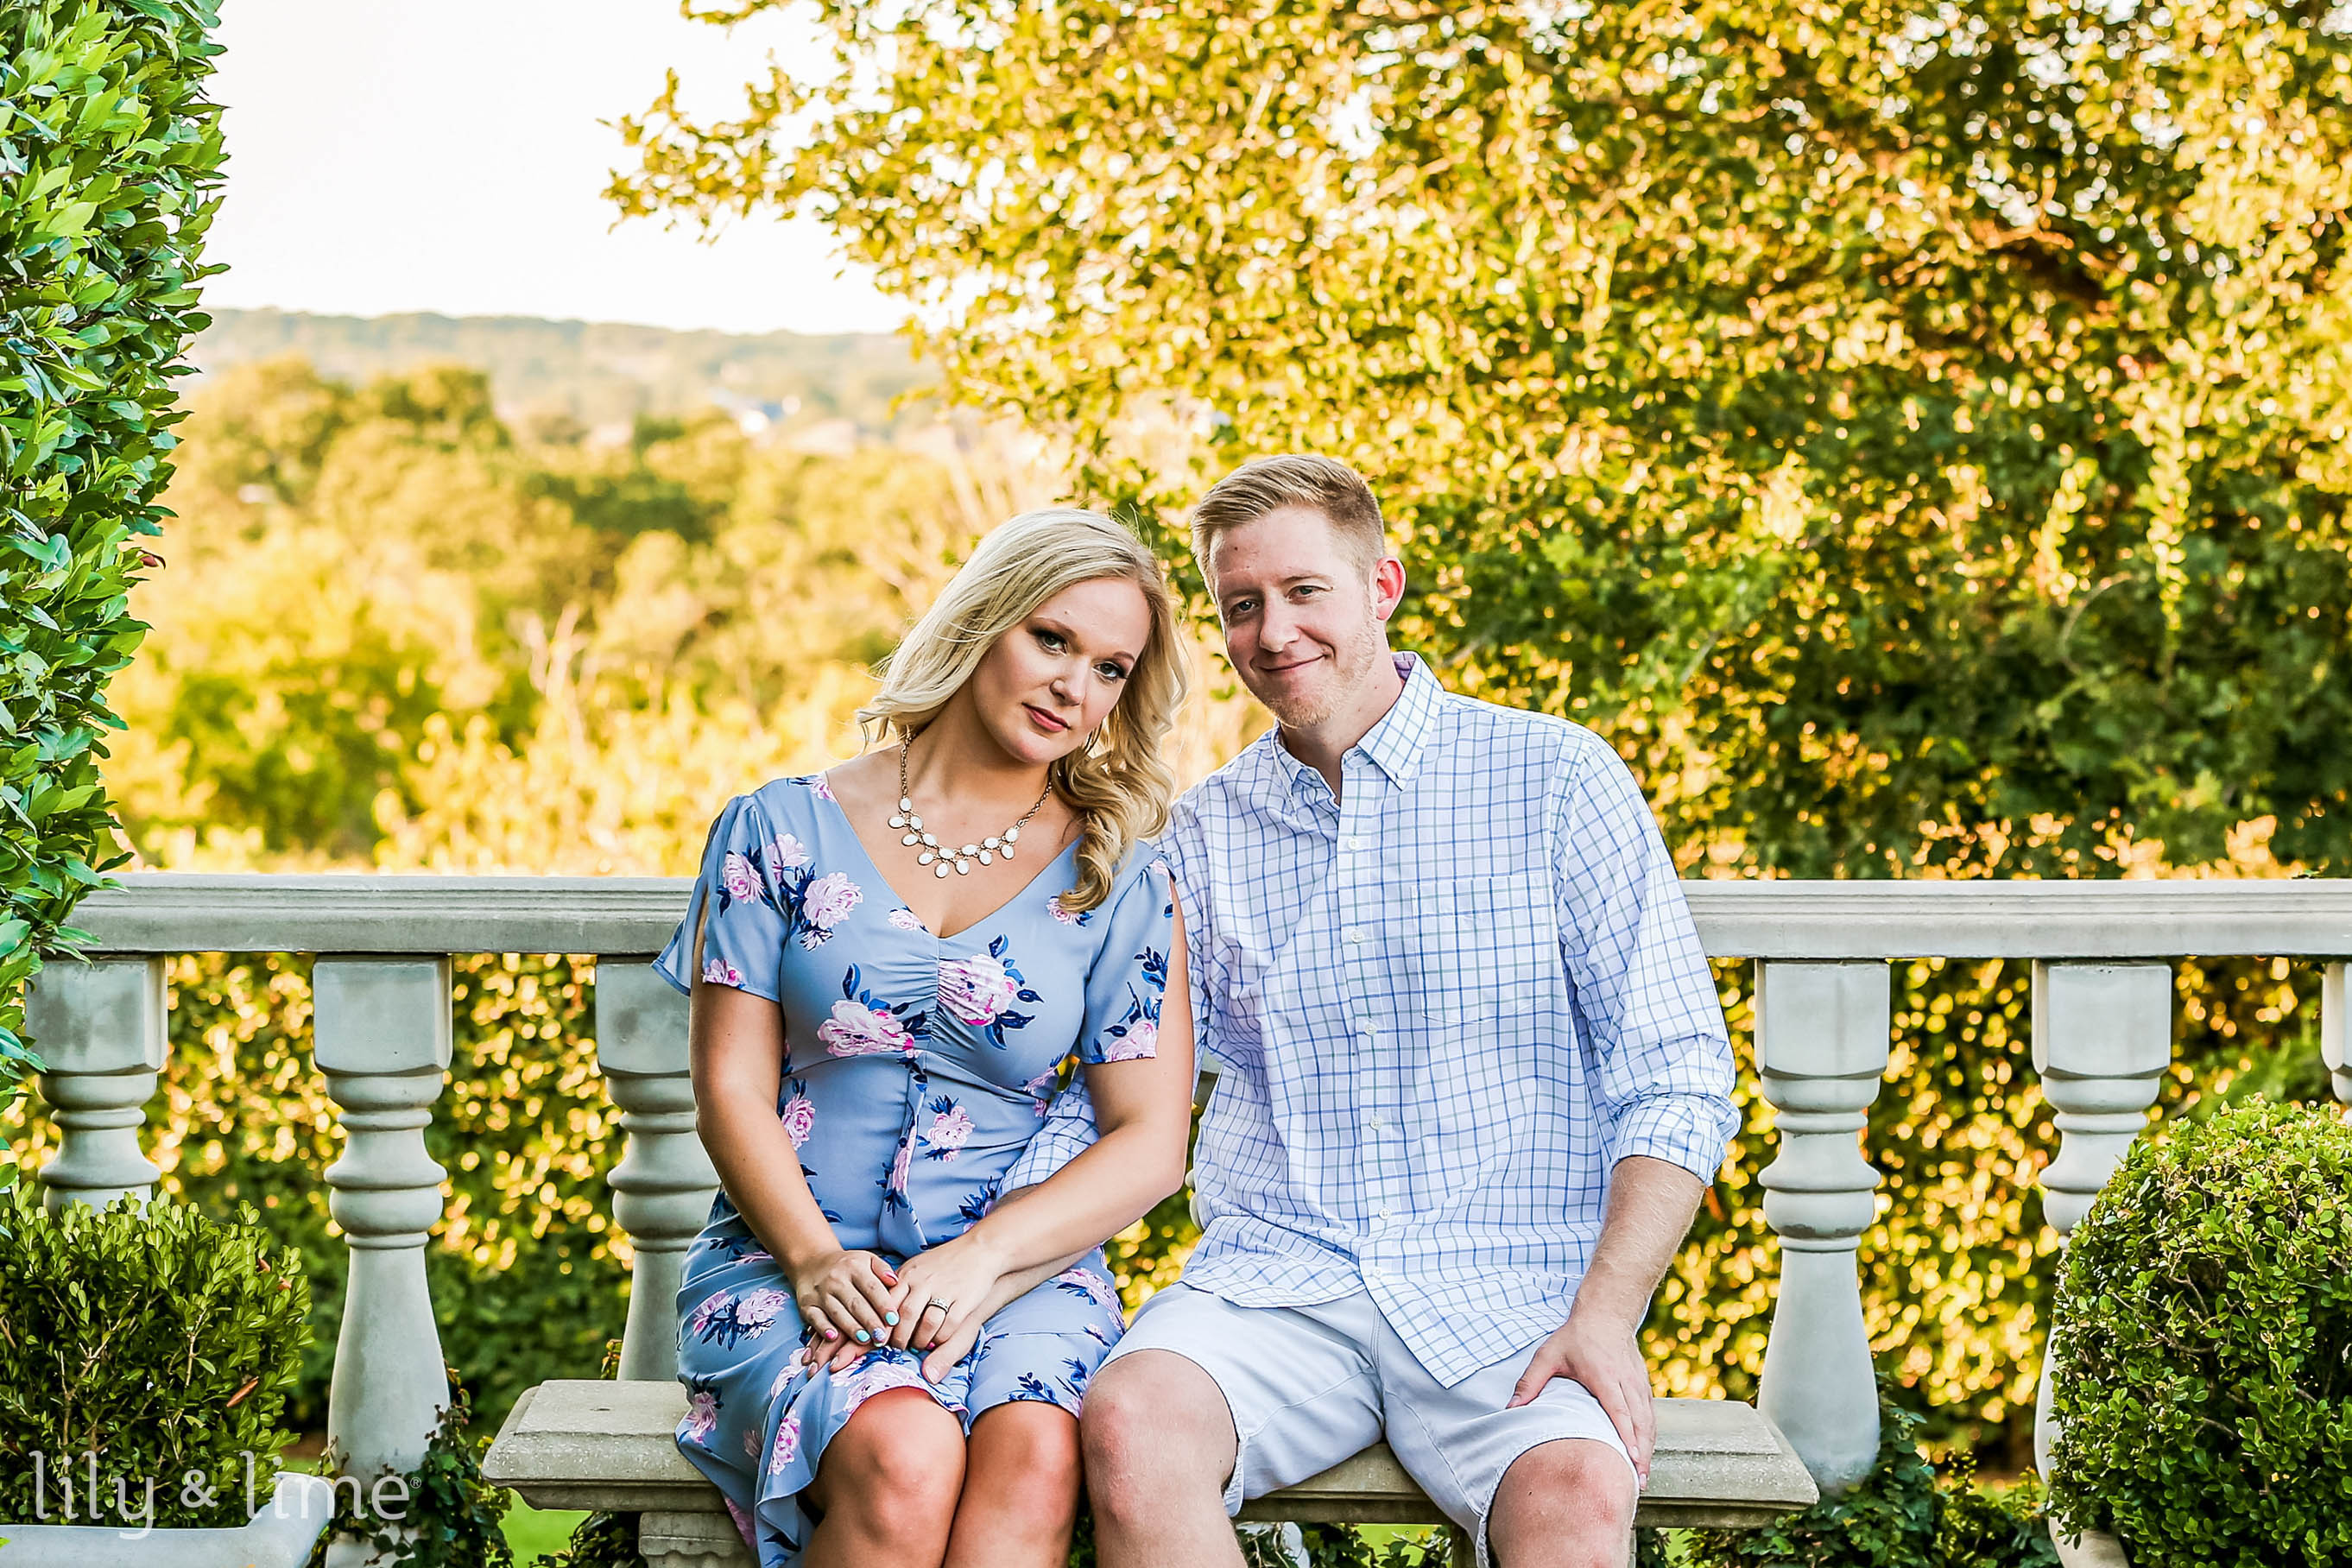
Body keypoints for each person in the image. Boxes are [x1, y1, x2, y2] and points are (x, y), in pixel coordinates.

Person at [1059, 456, 1739, 1568]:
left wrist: (1606, 1315)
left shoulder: (1556, 778)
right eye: (1242, 605)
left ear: (1383, 586)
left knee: (1577, 1490)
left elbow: (1675, 1075)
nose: (1274, 631)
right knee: (1133, 1424)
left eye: (1304, 591)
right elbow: (1122, 1092)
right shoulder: (1201, 837)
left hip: (1511, 1289)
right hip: (1274, 1283)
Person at [652, 507, 1198, 1568]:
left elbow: (1150, 1140)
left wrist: (983, 1261)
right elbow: (729, 1088)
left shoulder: (1117, 876)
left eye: (1110, 668)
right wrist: (814, 1259)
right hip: (791, 1255)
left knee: (1038, 1456)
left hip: (1017, 1269)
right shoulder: (778, 828)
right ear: (982, 620)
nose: (1074, 687)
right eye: (1051, 639)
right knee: (904, 1454)